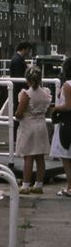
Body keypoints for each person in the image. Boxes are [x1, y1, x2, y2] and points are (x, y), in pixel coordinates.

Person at [14, 66, 51, 195]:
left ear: (27, 80)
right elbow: (47, 109)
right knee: (40, 156)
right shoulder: (45, 93)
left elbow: (19, 113)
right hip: (41, 126)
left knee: (28, 156)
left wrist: (17, 114)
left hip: (29, 127)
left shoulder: (26, 94)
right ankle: (39, 184)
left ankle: (25, 185)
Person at [50, 56, 71, 197]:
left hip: (67, 123)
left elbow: (69, 106)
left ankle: (70, 187)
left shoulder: (67, 85)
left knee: (66, 158)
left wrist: (56, 109)